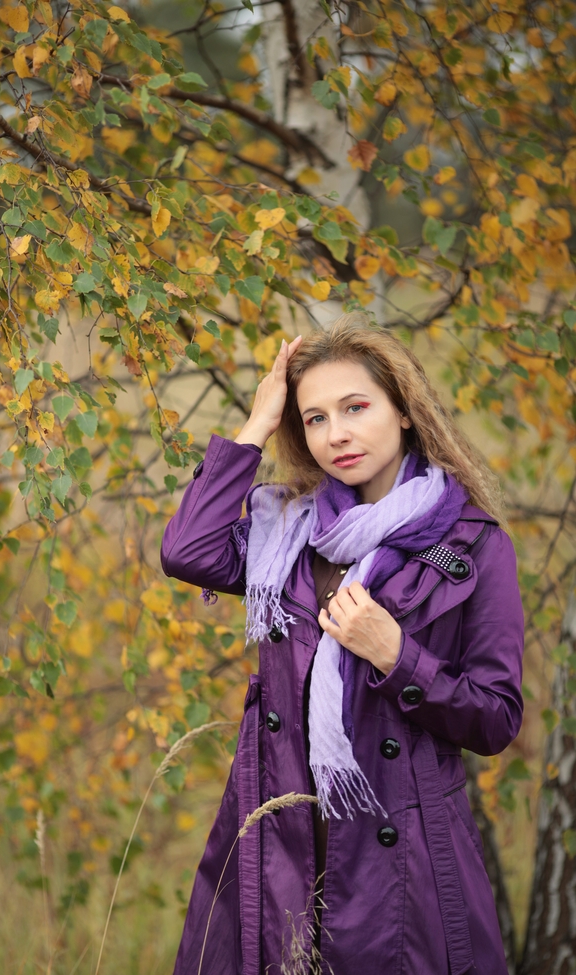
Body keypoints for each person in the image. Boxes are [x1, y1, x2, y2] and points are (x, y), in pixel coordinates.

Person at [161, 314, 524, 975]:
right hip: (280, 846)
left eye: (355, 407)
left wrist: (396, 654)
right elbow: (187, 549)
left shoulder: (473, 543)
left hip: (402, 867)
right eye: (316, 418)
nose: (337, 434)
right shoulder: (288, 532)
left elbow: (496, 716)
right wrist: (259, 420)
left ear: (404, 410)